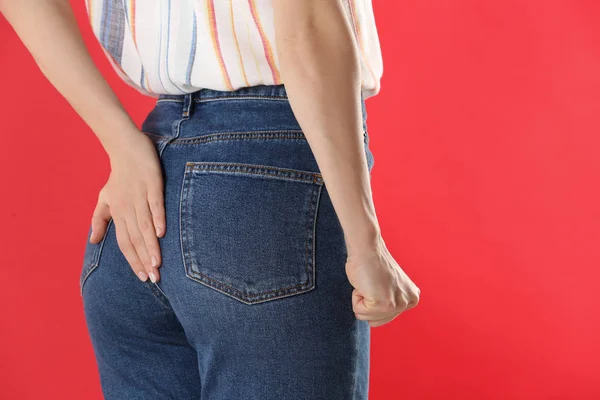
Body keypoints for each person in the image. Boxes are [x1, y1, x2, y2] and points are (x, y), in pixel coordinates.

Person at [1, 0, 420, 398]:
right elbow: (309, 27)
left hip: (140, 204)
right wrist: (365, 246)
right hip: (268, 196)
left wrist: (122, 146)